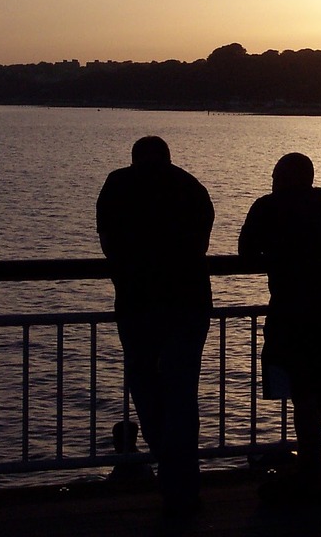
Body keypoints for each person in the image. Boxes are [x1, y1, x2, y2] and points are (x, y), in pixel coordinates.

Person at [97, 135, 214, 517]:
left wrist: (126, 277)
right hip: (188, 303)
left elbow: (108, 242)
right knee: (182, 395)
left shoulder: (118, 185)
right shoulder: (191, 188)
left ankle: (171, 474)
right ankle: (182, 483)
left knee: (146, 387)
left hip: (138, 304)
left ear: (134, 159)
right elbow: (200, 245)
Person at [238, 152, 321, 502]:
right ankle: (311, 472)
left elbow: (245, 254)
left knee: (301, 390)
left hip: (292, 307)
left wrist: (276, 255)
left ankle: (311, 478)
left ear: (281, 178)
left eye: (274, 176)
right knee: (316, 391)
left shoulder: (267, 207)